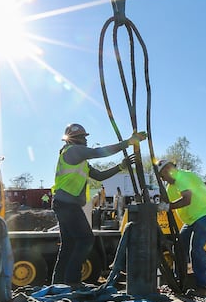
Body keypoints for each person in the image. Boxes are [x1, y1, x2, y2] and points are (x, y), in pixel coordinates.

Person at [51, 123, 146, 288]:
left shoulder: (80, 160)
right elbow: (98, 152)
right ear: (75, 139)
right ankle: (72, 281)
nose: (86, 140)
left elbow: (100, 176)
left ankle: (58, 284)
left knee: (69, 245)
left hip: (64, 203)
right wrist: (128, 142)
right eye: (83, 137)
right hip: (67, 204)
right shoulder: (73, 150)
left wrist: (121, 166)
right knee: (85, 239)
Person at [155, 159, 206, 295]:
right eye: (165, 172)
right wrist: (161, 205)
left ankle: (203, 287)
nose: (169, 172)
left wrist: (168, 206)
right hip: (191, 220)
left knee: (195, 249)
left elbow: (186, 199)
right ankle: (179, 282)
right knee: (178, 247)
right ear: (162, 177)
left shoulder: (183, 176)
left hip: (205, 213)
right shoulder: (169, 188)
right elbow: (167, 203)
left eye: (170, 168)